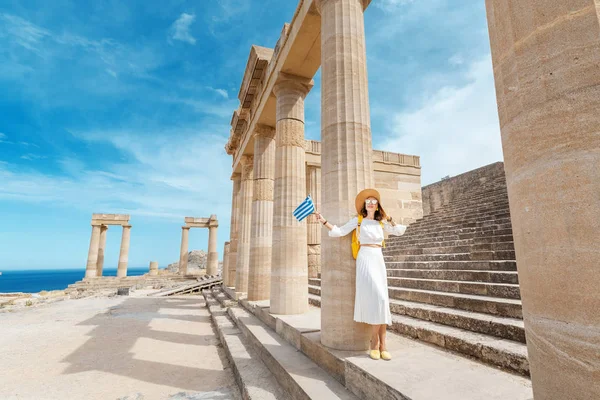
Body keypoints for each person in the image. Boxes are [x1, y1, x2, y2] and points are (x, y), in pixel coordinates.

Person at [314, 188, 407, 361]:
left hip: (378, 258)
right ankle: (375, 343)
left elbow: (399, 231)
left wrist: (390, 219)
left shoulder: (381, 223)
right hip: (364, 259)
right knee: (376, 298)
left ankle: (382, 343)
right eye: (368, 200)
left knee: (382, 299)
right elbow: (339, 231)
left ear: (378, 205)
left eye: (374, 200)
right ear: (364, 205)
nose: (371, 202)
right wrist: (323, 220)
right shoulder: (358, 221)